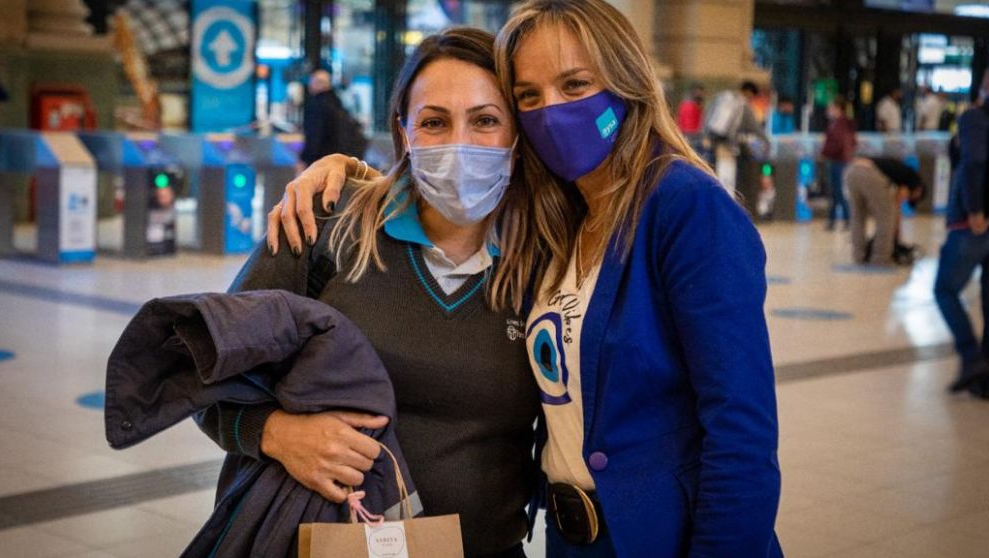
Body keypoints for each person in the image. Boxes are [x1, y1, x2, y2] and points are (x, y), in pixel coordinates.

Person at [275, 1, 784, 556]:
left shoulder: (683, 205)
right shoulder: (558, 218)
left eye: (575, 84)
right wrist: (351, 173)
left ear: (626, 80)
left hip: (659, 535)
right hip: (572, 540)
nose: (553, 111)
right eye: (530, 97)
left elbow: (741, 433)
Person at [199, 28, 543, 558]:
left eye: (485, 120)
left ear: (517, 139)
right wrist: (272, 432)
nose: (459, 144)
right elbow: (204, 370)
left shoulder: (543, 265)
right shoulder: (325, 226)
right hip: (323, 543)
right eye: (434, 122)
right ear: (403, 134)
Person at [934, 69, 989, 397]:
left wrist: (975, 209)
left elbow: (974, 161)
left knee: (945, 289)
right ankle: (984, 380)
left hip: (971, 223)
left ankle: (971, 358)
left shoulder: (973, 118)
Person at [843, 156, 925, 265]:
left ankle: (859, 256)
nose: (908, 198)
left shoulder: (903, 172)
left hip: (851, 170)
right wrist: (896, 235)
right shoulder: (914, 182)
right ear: (919, 191)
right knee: (886, 218)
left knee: (858, 217)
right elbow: (895, 209)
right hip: (868, 172)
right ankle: (880, 258)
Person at [702, 81, 770, 194]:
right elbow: (755, 128)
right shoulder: (743, 105)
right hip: (729, 149)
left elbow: (707, 116)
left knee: (713, 178)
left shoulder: (721, 97)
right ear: (749, 93)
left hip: (711, 147)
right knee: (727, 182)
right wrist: (767, 142)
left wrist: (705, 135)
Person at [299, 69, 365, 172]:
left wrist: (304, 159)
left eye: (311, 83)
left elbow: (315, 136)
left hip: (320, 162)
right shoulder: (337, 103)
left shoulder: (317, 105)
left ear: (316, 84)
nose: (309, 86)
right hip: (339, 160)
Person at [820, 95, 857, 230]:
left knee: (839, 191)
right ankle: (833, 220)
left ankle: (847, 219)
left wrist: (825, 153)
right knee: (835, 192)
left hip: (839, 162)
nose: (828, 110)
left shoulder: (840, 124)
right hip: (840, 160)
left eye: (831, 107)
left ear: (838, 109)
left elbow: (837, 144)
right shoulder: (842, 123)